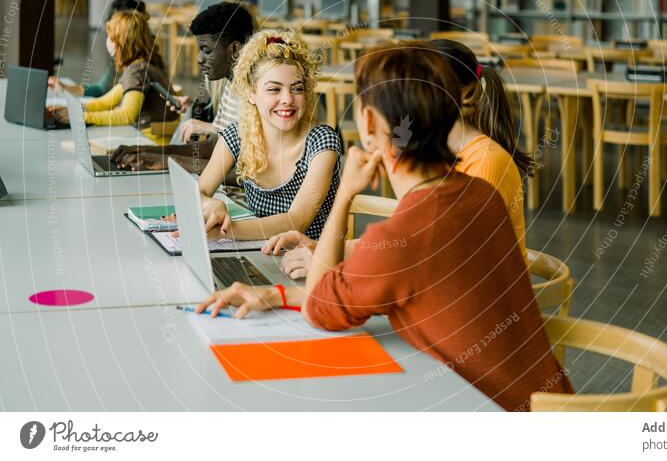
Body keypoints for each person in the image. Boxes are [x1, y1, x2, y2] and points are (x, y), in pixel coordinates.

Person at [196, 42, 571, 412]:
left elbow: (320, 306)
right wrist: (276, 295)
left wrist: (343, 195)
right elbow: (356, 291)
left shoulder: (407, 233)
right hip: (538, 408)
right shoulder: (475, 195)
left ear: (371, 123)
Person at [266, 38, 532, 280]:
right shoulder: (435, 156)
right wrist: (324, 249)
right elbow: (412, 238)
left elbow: (430, 250)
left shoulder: (486, 161)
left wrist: (332, 258)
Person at [193, 28, 342, 241]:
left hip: (308, 261)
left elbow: (297, 221)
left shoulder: (322, 142)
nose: (287, 99)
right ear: (252, 93)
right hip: (258, 254)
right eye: (274, 89)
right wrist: (211, 203)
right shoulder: (237, 135)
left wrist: (225, 231)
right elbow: (197, 192)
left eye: (297, 89)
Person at [110, 2, 254, 173]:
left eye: (206, 50)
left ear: (235, 48)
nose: (199, 59)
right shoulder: (231, 86)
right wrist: (147, 151)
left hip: (232, 198)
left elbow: (246, 174)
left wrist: (170, 161)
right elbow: (212, 146)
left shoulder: (254, 95)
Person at [50, 10, 179, 145]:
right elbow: (106, 102)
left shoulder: (138, 71)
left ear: (120, 41)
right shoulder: (138, 66)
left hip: (150, 142)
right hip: (145, 137)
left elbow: (126, 115)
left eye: (109, 36)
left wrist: (80, 117)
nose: (107, 40)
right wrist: (74, 109)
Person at [83, 0, 149, 98]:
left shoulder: (138, 70)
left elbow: (125, 112)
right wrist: (67, 89)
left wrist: (87, 112)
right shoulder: (122, 57)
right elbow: (104, 89)